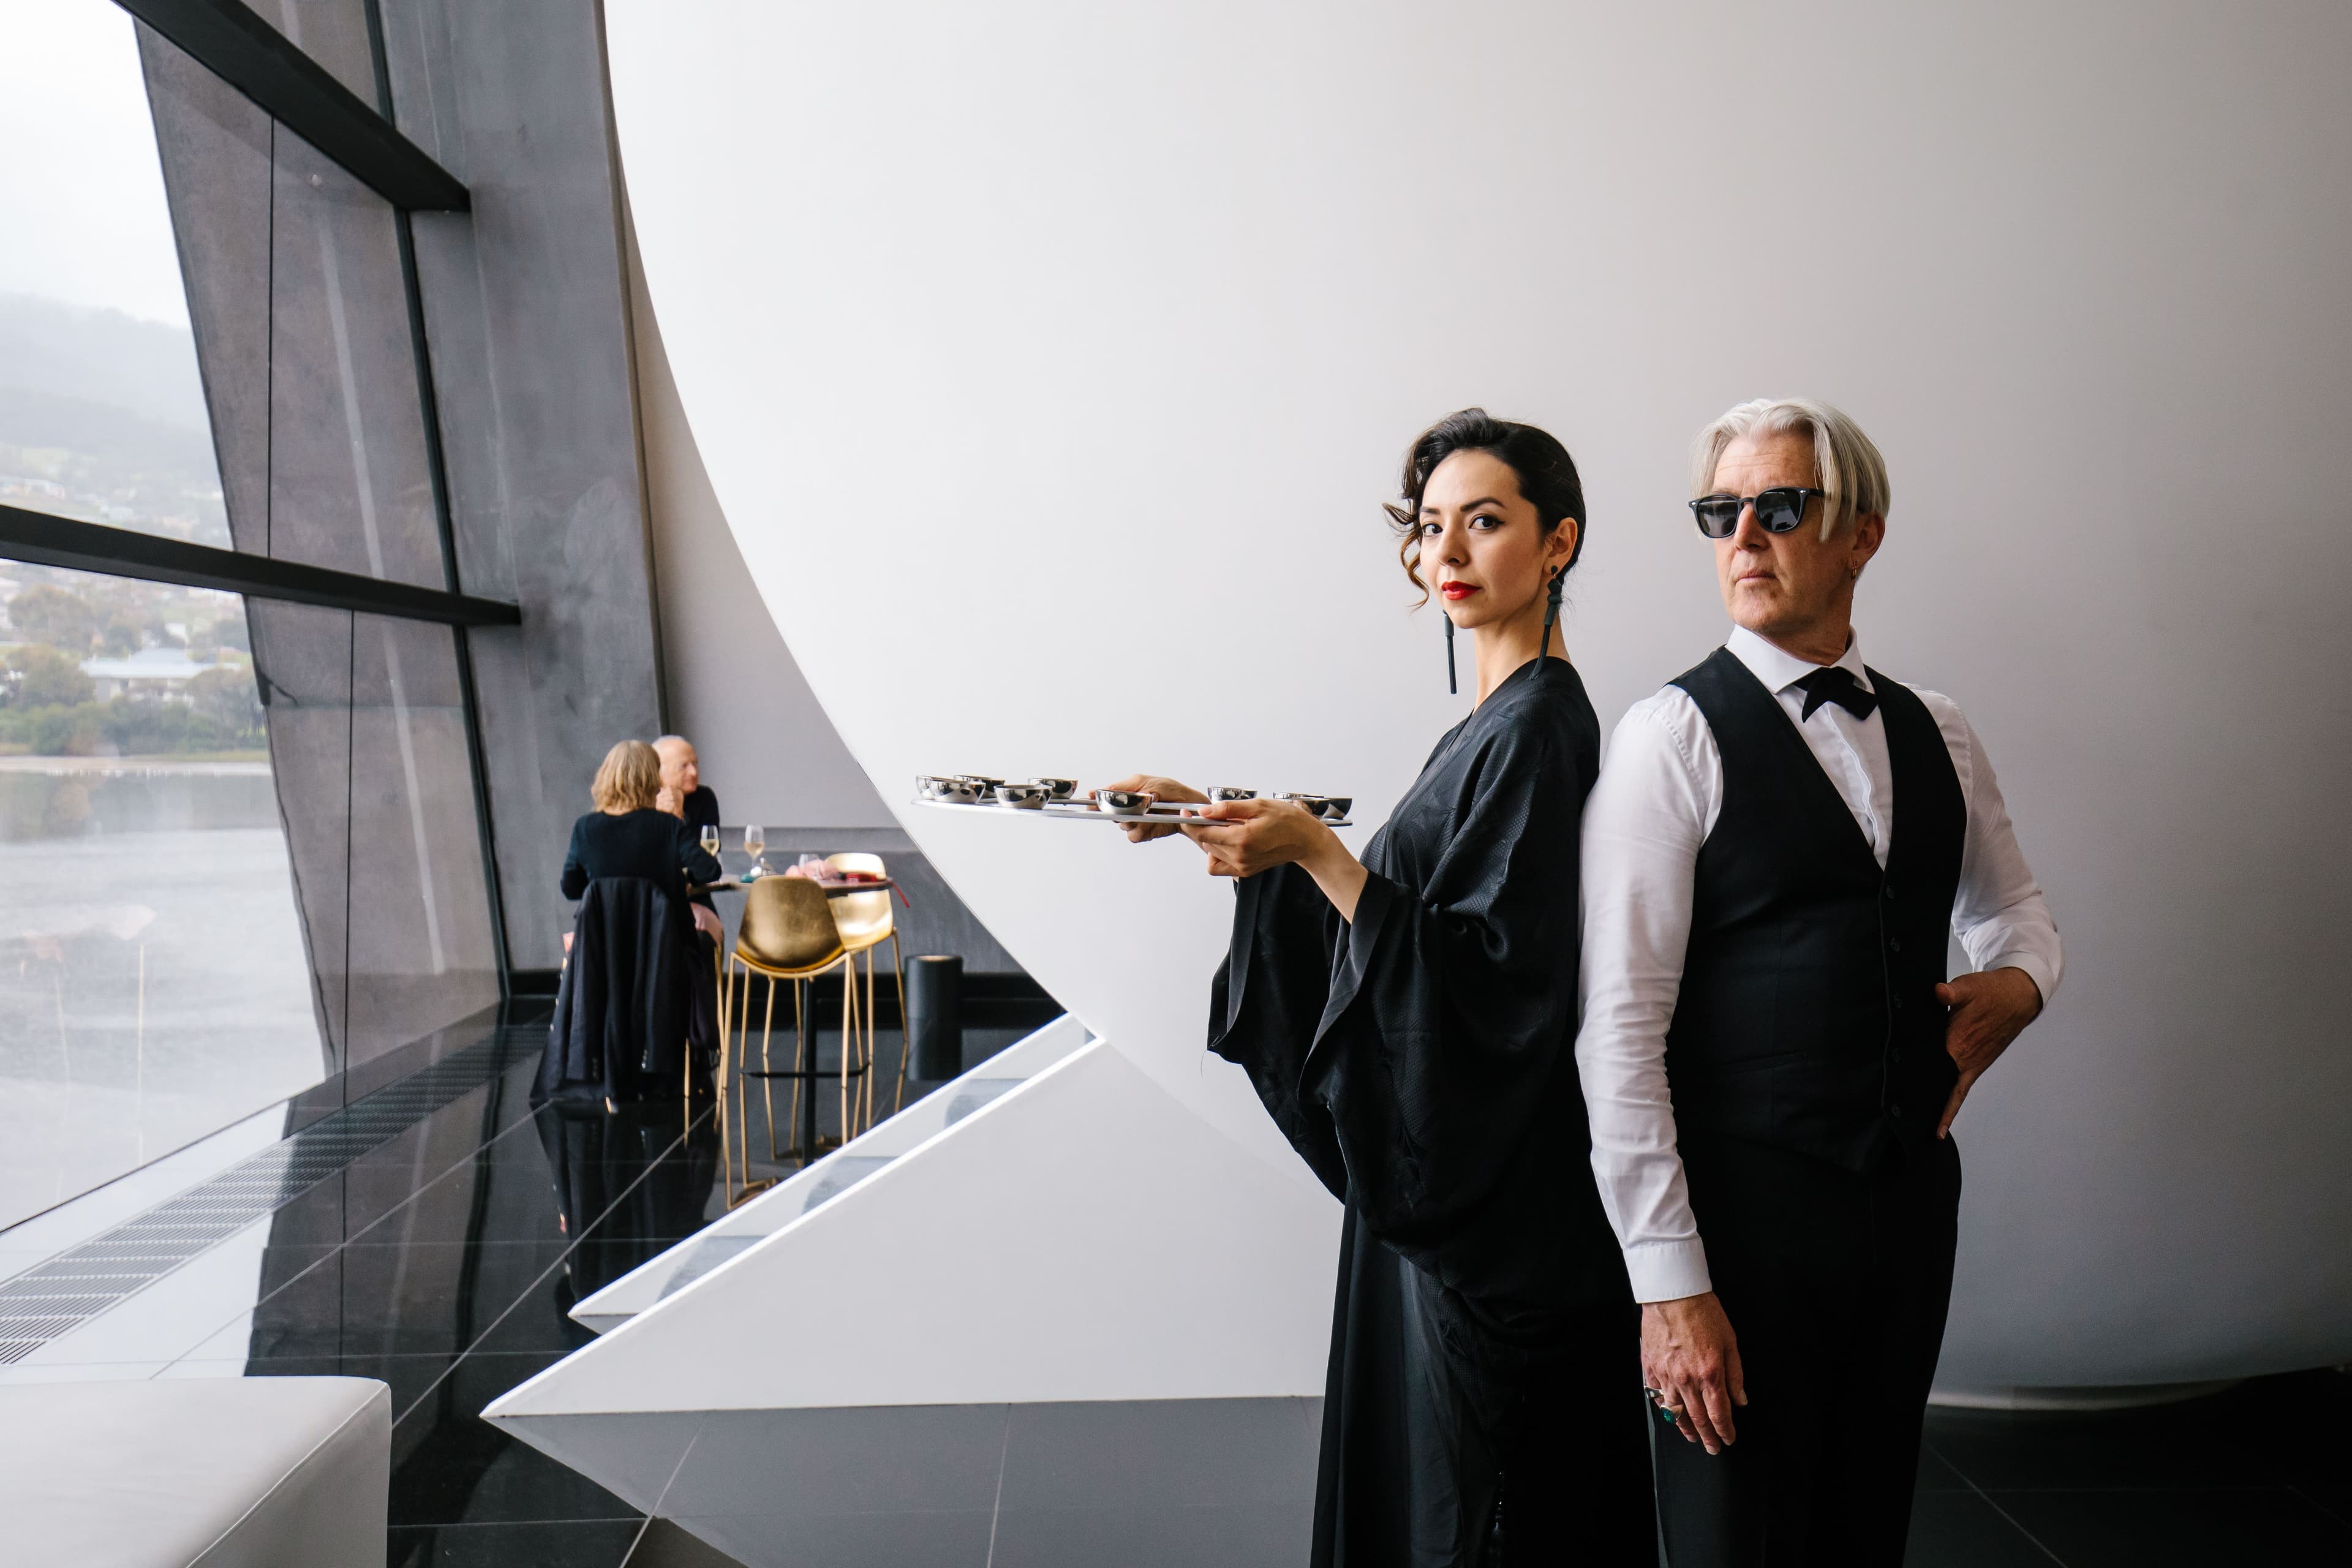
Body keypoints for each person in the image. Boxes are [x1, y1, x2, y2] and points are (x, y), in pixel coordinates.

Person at [1109, 410, 1653, 1566]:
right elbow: (1405, 913)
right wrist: (1233, 825)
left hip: (1498, 1226)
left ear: (1558, 546)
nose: (1447, 553)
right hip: (1445, 1212)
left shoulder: (1544, 728)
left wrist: (1316, 850)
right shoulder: (1491, 725)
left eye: (1486, 523)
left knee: (1482, 1515)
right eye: (1431, 528)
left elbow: (1498, 987)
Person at [1575, 398, 2062, 1565]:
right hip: (1739, 1229)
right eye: (1719, 512)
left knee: (1863, 1529)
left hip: (1904, 1211)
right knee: (1735, 1542)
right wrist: (1668, 1286)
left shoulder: (1936, 729)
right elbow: (1619, 1033)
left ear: (1861, 535)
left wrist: (2022, 985)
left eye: (1779, 507)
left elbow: (2017, 913)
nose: (1743, 536)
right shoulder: (1669, 736)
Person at [655, 734, 726, 1073]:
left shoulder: (704, 801)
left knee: (698, 940)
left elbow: (705, 871)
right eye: (684, 766)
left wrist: (679, 821)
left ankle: (702, 1039)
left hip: (696, 902)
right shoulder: (642, 803)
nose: (694, 772)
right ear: (658, 772)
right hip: (652, 908)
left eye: (695, 763)